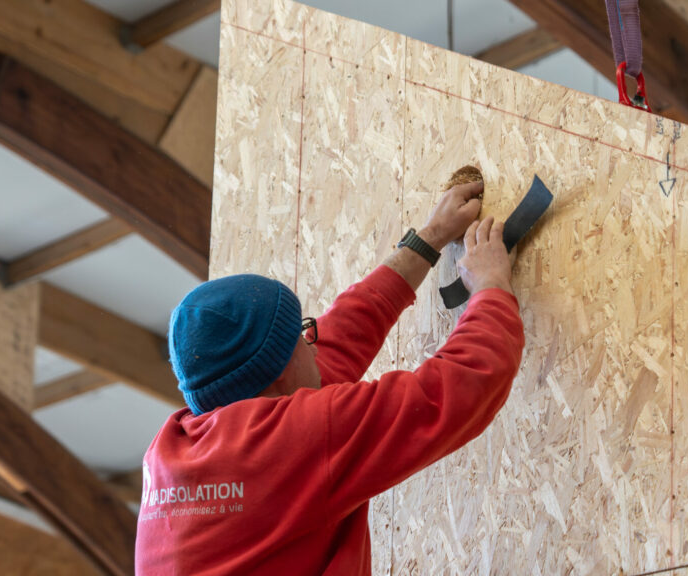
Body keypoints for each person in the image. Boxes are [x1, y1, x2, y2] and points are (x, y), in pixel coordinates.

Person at [134, 174, 525, 575]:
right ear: (280, 377)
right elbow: (462, 387)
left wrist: (427, 239)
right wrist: (491, 284)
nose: (313, 341)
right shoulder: (291, 443)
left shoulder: (170, 451)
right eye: (302, 337)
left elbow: (337, 342)